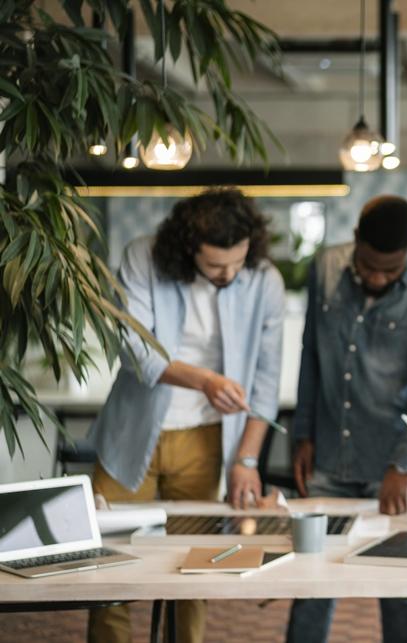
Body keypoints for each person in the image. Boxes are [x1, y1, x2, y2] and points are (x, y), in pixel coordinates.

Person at [87, 188, 285, 643]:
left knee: (197, 564)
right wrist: (206, 381)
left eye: (237, 262)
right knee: (108, 561)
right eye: (216, 266)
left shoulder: (263, 280)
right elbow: (133, 350)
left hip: (206, 438)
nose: (229, 274)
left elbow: (266, 383)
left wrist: (247, 459)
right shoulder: (144, 257)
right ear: (188, 249)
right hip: (132, 432)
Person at [287, 195, 407, 643]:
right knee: (311, 579)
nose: (378, 277)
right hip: (328, 456)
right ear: (355, 241)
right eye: (369, 266)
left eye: (391, 269)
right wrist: (301, 434)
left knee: (399, 581)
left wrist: (402, 462)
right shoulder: (325, 269)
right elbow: (311, 356)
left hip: (392, 463)